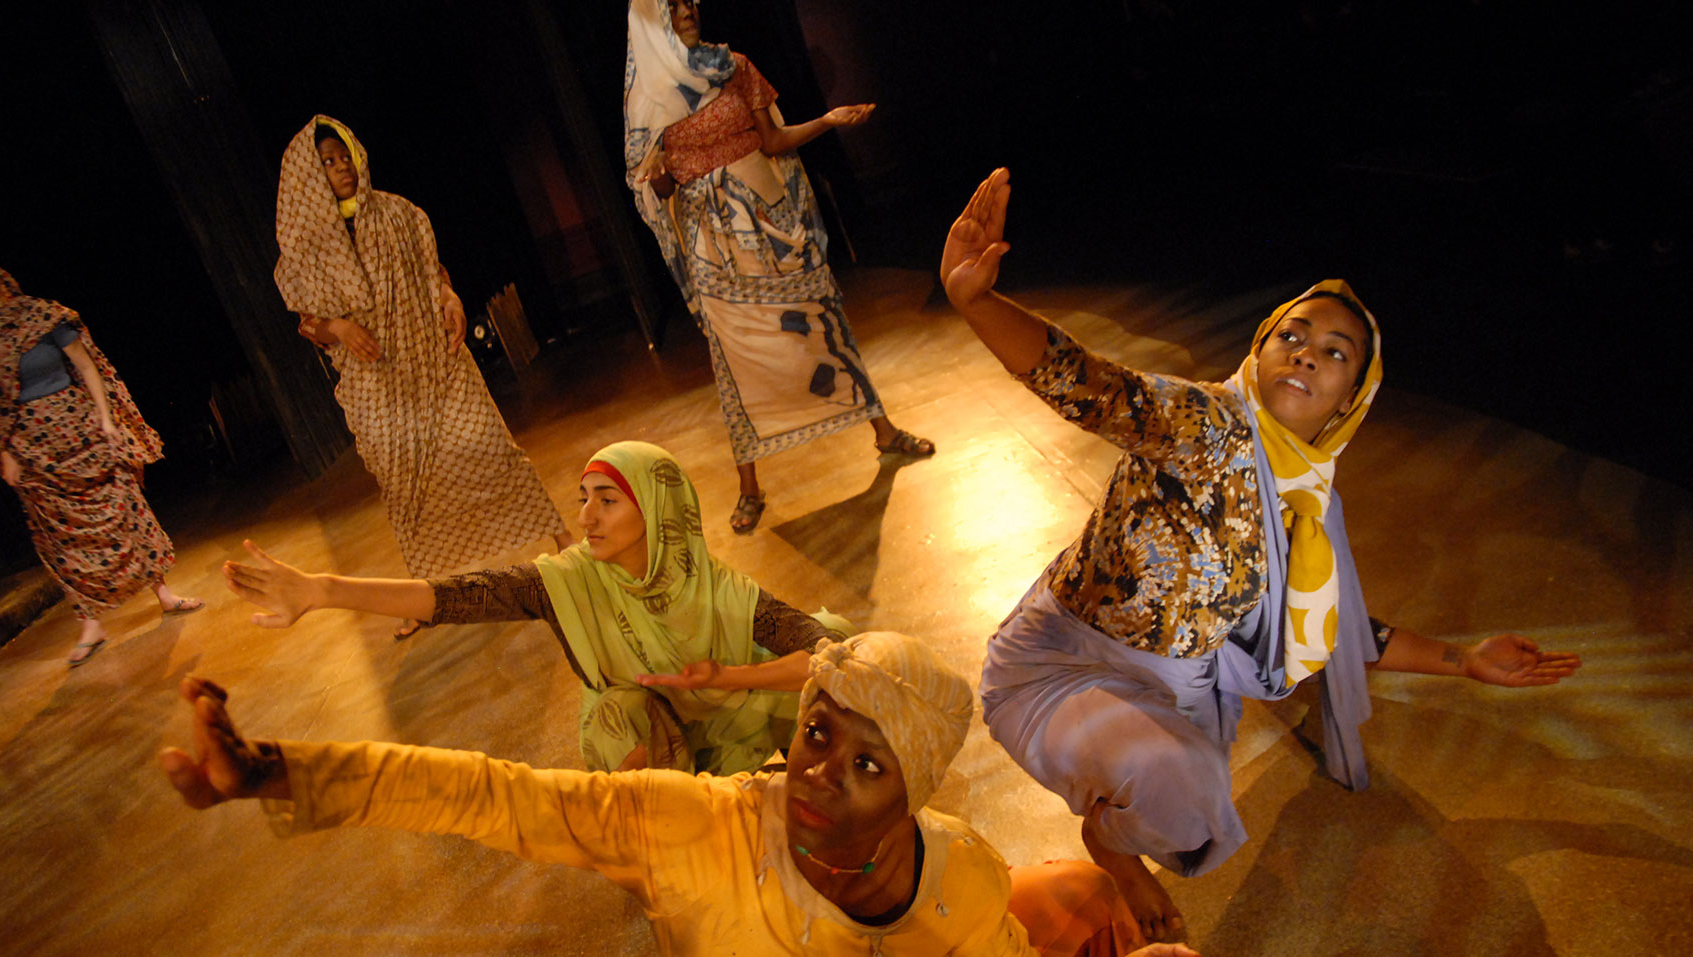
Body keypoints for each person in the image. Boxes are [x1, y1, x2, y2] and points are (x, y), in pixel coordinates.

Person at [940, 169, 1584, 941]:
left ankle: (1115, 835)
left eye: (1335, 351)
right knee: (1184, 778)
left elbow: (1338, 629)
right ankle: (1115, 851)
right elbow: (1095, 387)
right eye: (1292, 336)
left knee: (1191, 798)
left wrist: (1464, 658)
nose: (1307, 355)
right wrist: (976, 303)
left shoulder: (1311, 502)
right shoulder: (1207, 423)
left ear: (1353, 398)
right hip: (1057, 665)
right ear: (1261, 347)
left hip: (1172, 689)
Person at [158, 630, 1200, 956]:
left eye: (866, 765)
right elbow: (485, 796)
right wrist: (275, 771)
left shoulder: (963, 879)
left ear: (914, 793)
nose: (816, 775)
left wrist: (1112, 873)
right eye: (817, 733)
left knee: (1078, 898)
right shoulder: (693, 826)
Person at [224, 440, 848, 775]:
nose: (585, 517)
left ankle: (783, 786)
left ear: (657, 512)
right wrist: (327, 590)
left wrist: (729, 678)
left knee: (838, 680)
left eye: (607, 500)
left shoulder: (720, 591)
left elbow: (829, 653)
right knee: (624, 715)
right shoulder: (568, 581)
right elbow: (461, 596)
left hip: (729, 712)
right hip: (653, 729)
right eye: (584, 498)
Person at [624, 0, 934, 534]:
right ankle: (749, 486)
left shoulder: (734, 66)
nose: (689, 9)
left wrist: (829, 121)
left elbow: (773, 141)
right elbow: (662, 185)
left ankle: (883, 431)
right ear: (653, 22)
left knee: (819, 322)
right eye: (673, 5)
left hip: (769, 215)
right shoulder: (648, 97)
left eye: (692, 1)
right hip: (712, 239)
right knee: (734, 355)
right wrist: (653, 176)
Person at [274, 115, 568, 636]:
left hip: (436, 360)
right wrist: (339, 327)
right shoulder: (305, 251)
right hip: (376, 384)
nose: (341, 167)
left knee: (490, 450)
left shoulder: (397, 213)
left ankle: (563, 540)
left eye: (344, 156)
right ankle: (422, 595)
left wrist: (450, 297)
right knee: (407, 491)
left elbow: (435, 273)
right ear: (306, 175)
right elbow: (310, 326)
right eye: (327, 161)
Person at [0, 266, 203, 666]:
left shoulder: (43, 316)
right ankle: (89, 623)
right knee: (57, 534)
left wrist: (107, 419)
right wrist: (4, 451)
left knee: (123, 506)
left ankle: (163, 593)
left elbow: (87, 366)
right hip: (31, 448)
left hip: (79, 428)